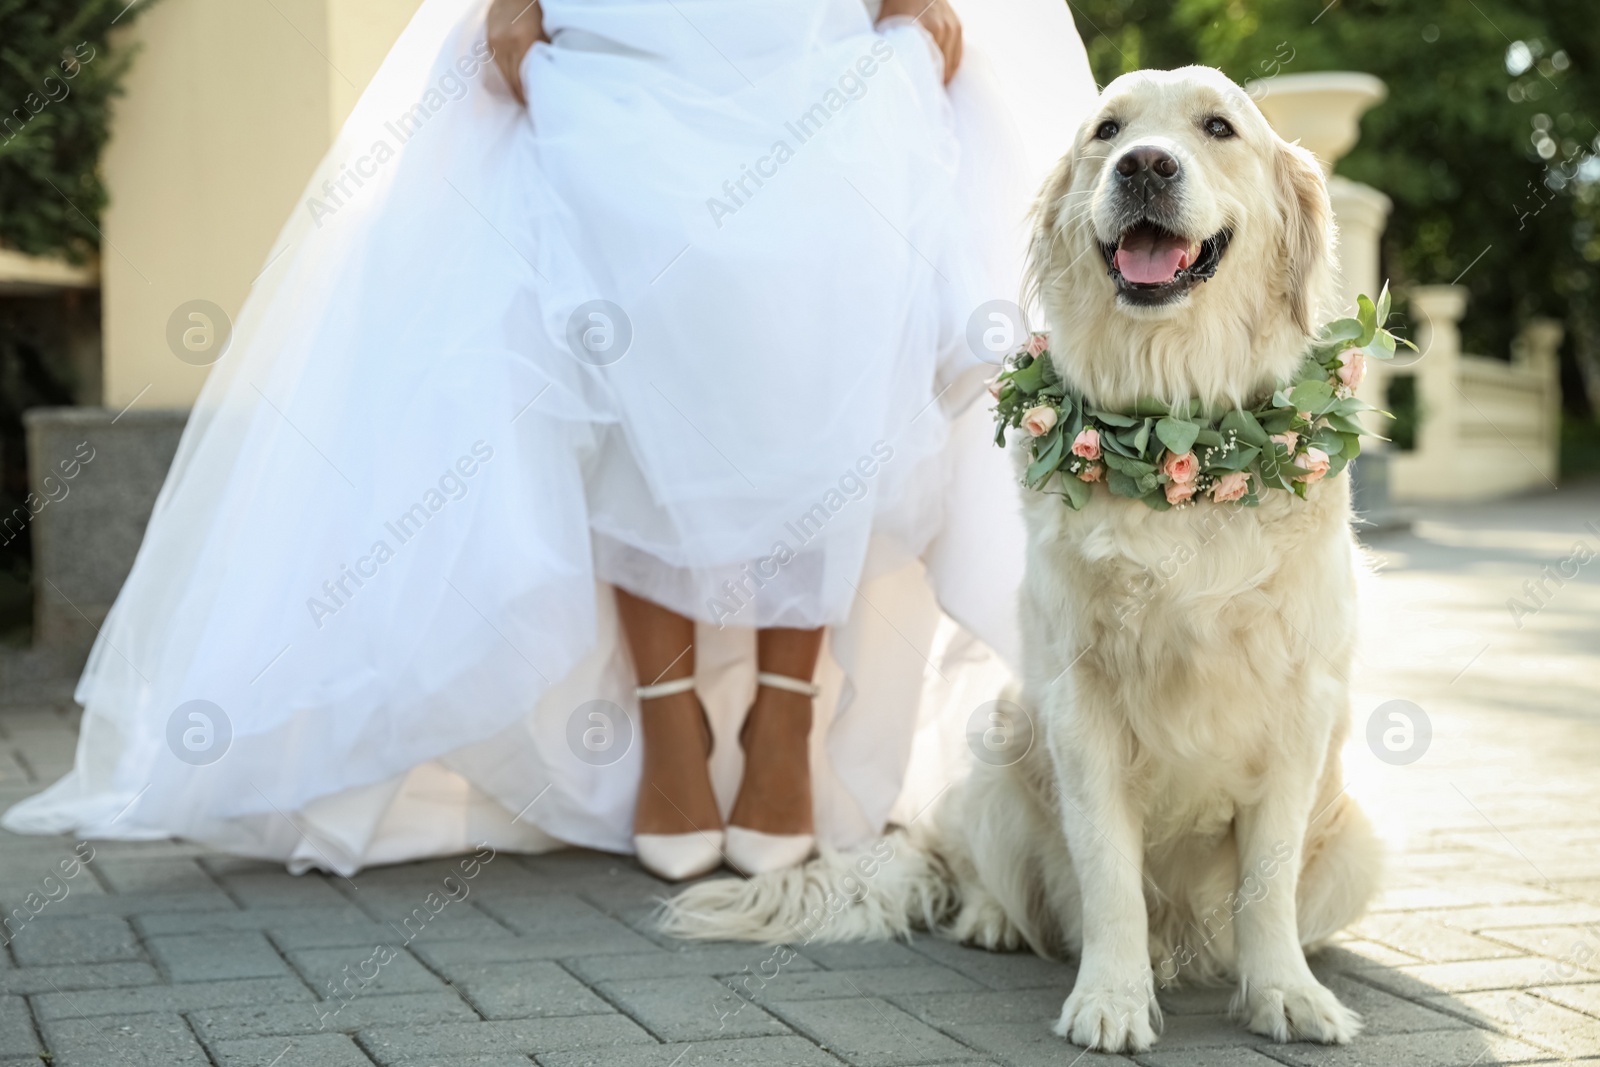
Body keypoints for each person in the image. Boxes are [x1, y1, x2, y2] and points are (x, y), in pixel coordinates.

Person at [3, 0, 1095, 879]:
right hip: (617, 58)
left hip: (807, 56)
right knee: (618, 362)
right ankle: (670, 728)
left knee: (824, 354)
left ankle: (780, 718)